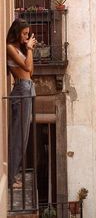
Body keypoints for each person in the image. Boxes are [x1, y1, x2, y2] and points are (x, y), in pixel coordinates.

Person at [6, 18, 37, 188]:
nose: (26, 37)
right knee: (18, 135)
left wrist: (28, 49)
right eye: (24, 33)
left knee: (23, 137)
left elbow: (31, 69)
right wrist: (30, 48)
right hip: (21, 89)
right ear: (17, 32)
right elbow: (26, 68)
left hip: (28, 87)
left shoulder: (19, 48)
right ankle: (10, 178)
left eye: (27, 34)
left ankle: (14, 174)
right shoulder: (9, 48)